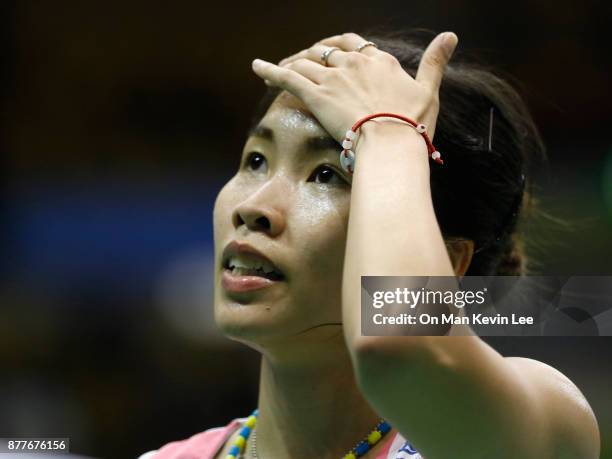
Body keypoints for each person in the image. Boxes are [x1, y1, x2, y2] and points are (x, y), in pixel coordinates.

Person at [139, 30, 600, 458]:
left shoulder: (538, 427)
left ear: (448, 258)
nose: (254, 207)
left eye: (327, 174)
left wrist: (390, 130)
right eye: (256, 160)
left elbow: (398, 344)